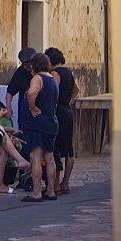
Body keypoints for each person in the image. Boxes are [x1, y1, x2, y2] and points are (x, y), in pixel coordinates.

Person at [19, 52, 59, 203]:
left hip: (37, 124)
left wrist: (32, 107)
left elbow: (31, 93)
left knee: (35, 157)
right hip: (50, 122)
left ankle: (36, 192)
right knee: (49, 157)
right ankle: (50, 190)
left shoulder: (38, 78)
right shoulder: (52, 79)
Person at [45, 46, 79, 194]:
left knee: (56, 148)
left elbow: (53, 90)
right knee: (69, 150)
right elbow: (76, 90)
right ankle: (65, 182)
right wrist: (67, 99)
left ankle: (56, 184)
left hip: (57, 111)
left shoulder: (55, 74)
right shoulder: (68, 73)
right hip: (67, 110)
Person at [5, 46, 36, 127]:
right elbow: (10, 91)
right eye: (23, 64)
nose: (25, 67)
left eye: (28, 65)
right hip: (24, 116)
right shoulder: (20, 72)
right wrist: (8, 107)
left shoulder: (41, 73)